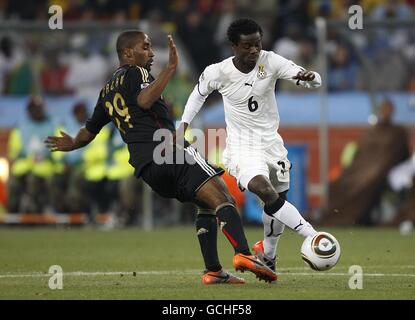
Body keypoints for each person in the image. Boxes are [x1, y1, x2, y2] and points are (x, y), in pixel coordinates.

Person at [45, 30, 276, 284]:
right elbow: (144, 101)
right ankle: (243, 254)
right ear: (128, 53)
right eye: (145, 47)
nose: (152, 53)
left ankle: (213, 271)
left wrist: (71, 143)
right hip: (168, 149)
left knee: (205, 204)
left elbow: (88, 134)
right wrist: (171, 68)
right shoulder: (137, 72)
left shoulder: (106, 91)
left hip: (147, 170)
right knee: (224, 197)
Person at [179, 18, 321, 274]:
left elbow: (312, 80)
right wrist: (183, 125)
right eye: (247, 46)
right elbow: (197, 94)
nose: (254, 50)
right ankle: (310, 235)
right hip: (242, 147)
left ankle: (269, 254)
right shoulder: (218, 72)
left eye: (257, 44)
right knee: (262, 189)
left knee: (276, 200)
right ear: (234, 46)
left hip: (272, 145)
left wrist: (309, 78)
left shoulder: (272, 61)